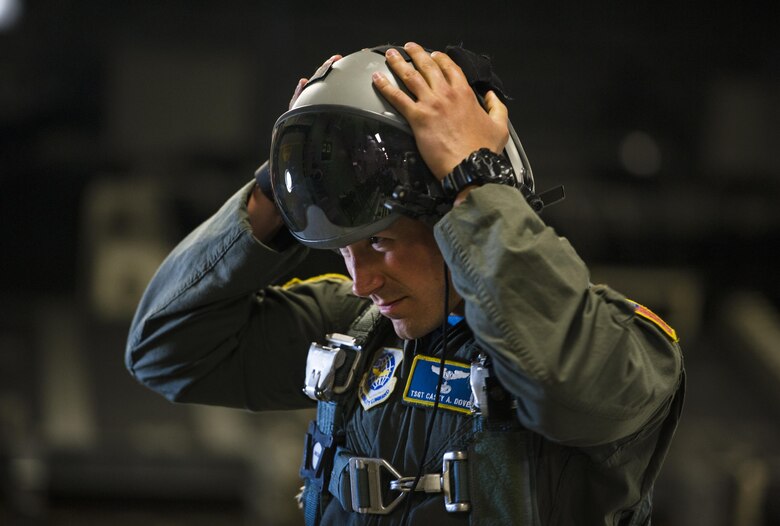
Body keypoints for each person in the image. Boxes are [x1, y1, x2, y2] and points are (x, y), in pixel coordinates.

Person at [126, 42, 684, 525]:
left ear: (458, 212)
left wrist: (473, 177)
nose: (361, 280)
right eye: (345, 250)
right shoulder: (356, 330)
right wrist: (280, 184)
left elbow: (555, 377)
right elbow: (165, 349)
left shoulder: (634, 351)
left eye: (381, 243)